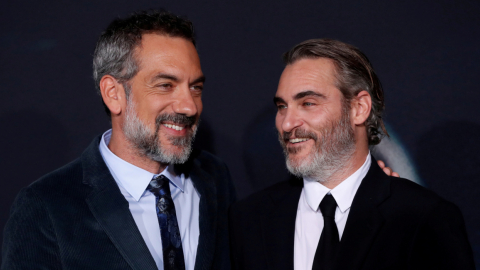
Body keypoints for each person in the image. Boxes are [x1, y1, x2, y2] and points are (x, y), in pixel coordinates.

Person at [1, 10, 235, 270]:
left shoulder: (214, 178)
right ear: (113, 94)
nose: (189, 107)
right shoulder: (46, 207)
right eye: (165, 85)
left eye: (195, 88)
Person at [229, 39, 475, 270]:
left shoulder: (423, 218)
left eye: (308, 103)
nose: (286, 123)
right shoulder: (249, 220)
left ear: (359, 109)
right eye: (282, 106)